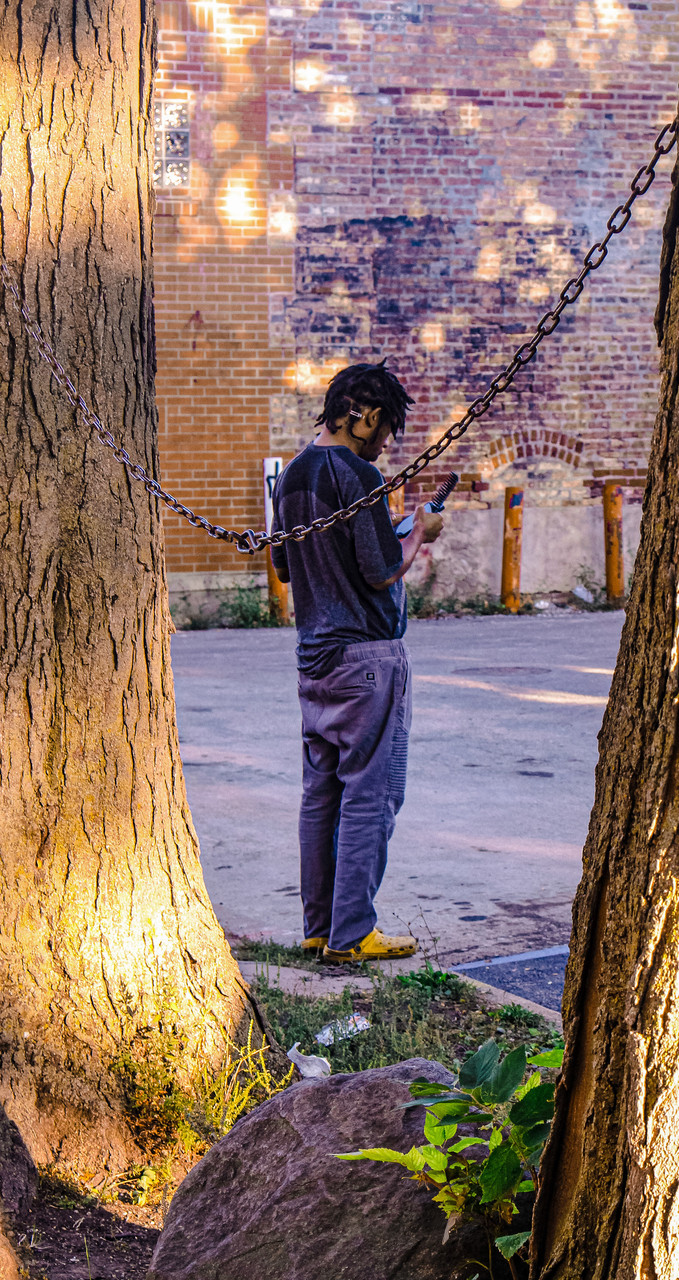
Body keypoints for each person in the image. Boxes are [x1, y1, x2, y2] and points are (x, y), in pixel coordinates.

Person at [270, 360, 444, 963]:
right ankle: (353, 936)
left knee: (321, 796)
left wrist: (382, 528)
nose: (385, 443)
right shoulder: (360, 475)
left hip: (314, 661)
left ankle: (319, 929)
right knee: (372, 796)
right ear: (361, 416)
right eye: (384, 428)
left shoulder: (293, 475)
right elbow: (380, 570)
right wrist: (419, 533)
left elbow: (285, 567)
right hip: (368, 661)